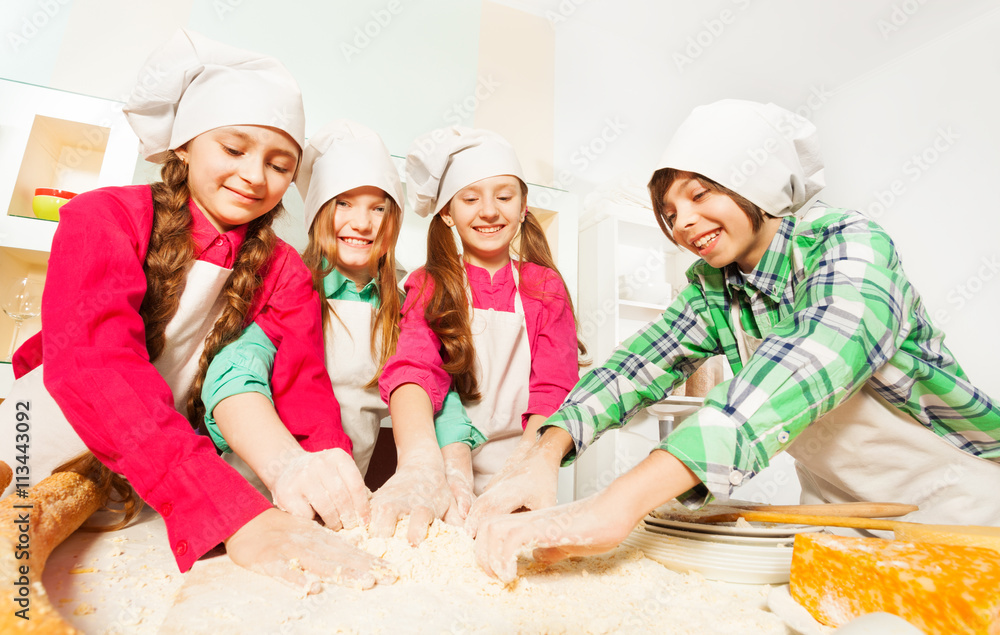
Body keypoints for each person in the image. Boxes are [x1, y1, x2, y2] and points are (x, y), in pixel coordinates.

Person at [468, 99, 1000, 583]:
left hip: (957, 508)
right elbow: (632, 369)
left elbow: (814, 359)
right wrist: (545, 450)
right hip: (834, 514)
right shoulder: (712, 290)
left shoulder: (848, 243)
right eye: (671, 214)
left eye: (699, 194)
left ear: (757, 184)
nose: (684, 224)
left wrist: (619, 502)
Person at [0, 30, 392, 592]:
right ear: (184, 145)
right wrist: (229, 510)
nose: (256, 177)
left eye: (280, 165)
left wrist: (327, 480)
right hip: (37, 437)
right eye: (234, 150)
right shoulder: (104, 217)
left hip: (147, 482)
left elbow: (301, 387)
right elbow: (95, 367)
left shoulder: (282, 269)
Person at [201, 118, 471, 530]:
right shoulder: (287, 288)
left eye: (378, 208)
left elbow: (438, 398)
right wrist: (286, 467)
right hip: (254, 496)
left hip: (340, 508)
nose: (362, 223)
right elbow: (234, 374)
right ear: (318, 212)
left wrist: (450, 472)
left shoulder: (402, 307)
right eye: (344, 203)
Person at [370, 127, 585, 544]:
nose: (489, 211)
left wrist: (525, 467)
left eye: (504, 196)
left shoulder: (545, 287)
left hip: (527, 460)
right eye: (471, 198)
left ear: (523, 207)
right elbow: (413, 372)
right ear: (448, 212)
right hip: (448, 468)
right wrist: (421, 464)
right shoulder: (428, 285)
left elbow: (554, 387)